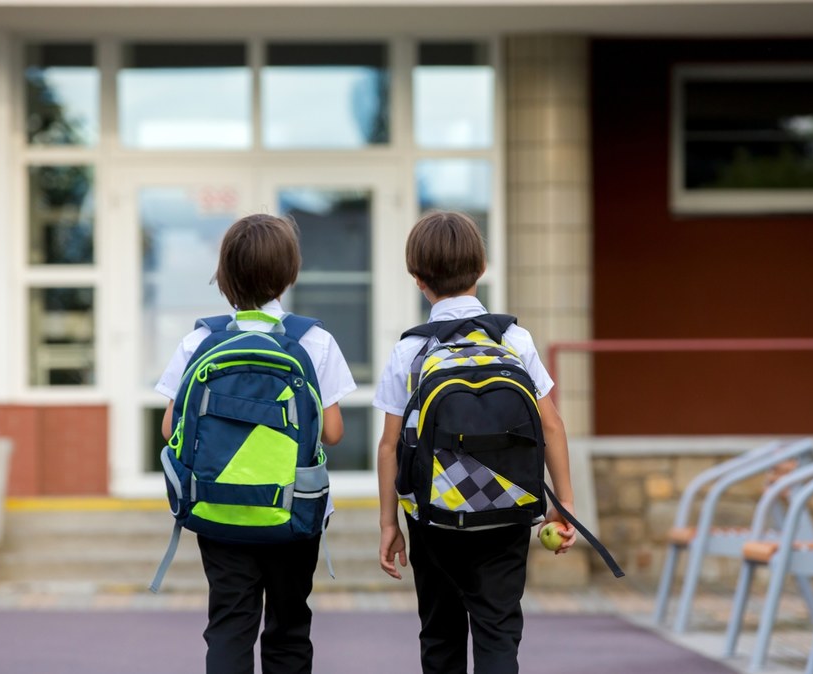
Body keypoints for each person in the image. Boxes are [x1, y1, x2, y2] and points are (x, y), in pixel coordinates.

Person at [374, 210, 577, 674]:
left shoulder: (410, 350)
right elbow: (551, 424)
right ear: (482, 268)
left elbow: (389, 446)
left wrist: (390, 523)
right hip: (508, 509)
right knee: (499, 629)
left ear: (416, 279)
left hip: (433, 516)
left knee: (440, 633)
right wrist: (562, 504)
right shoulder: (513, 338)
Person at [155, 213, 356, 674]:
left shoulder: (201, 340)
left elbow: (171, 427)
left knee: (229, 625)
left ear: (224, 277)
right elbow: (334, 432)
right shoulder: (313, 340)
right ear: (289, 275)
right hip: (293, 511)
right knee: (288, 628)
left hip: (217, 510)